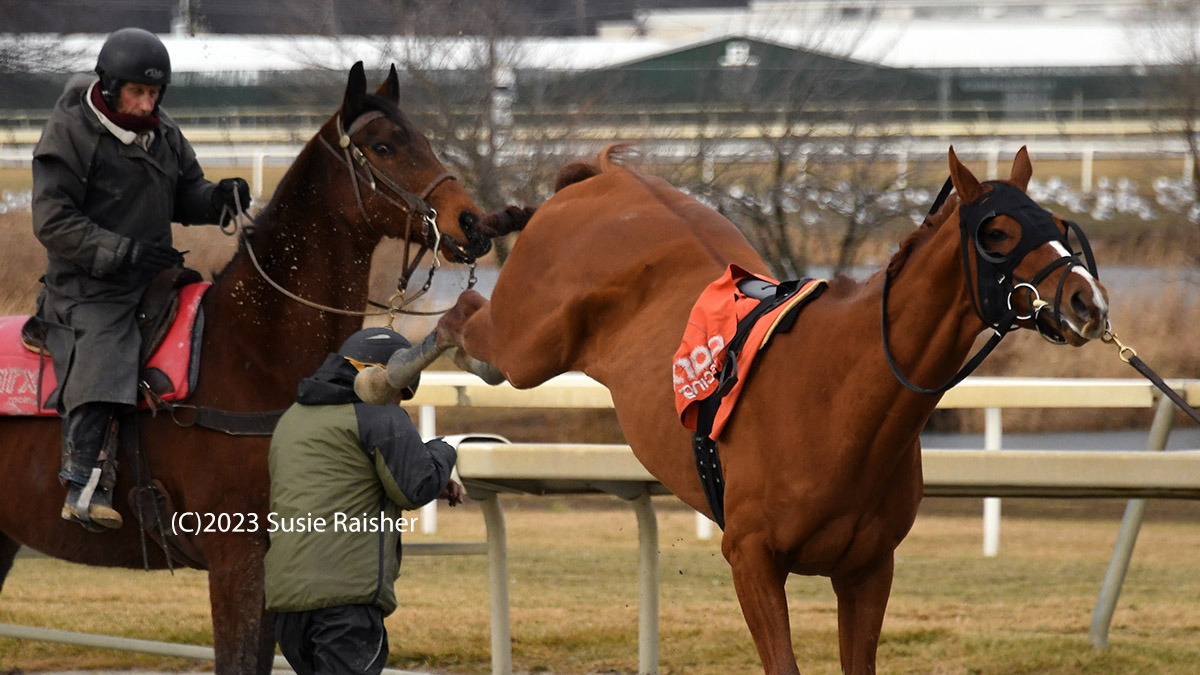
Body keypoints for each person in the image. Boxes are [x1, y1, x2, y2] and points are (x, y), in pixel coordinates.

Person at [30, 27, 251, 530]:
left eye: (154, 93)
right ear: (108, 86)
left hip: (152, 274)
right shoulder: (70, 132)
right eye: (137, 92)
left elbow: (186, 191)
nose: (146, 102)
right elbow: (52, 221)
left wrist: (218, 197)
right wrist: (121, 252)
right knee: (108, 346)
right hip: (88, 285)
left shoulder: (163, 131)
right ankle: (83, 481)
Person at [264, 327, 464, 675]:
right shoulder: (379, 414)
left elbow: (347, 477)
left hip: (288, 607)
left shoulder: (292, 419)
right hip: (346, 609)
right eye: (401, 392)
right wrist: (444, 450)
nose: (399, 401)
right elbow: (415, 487)